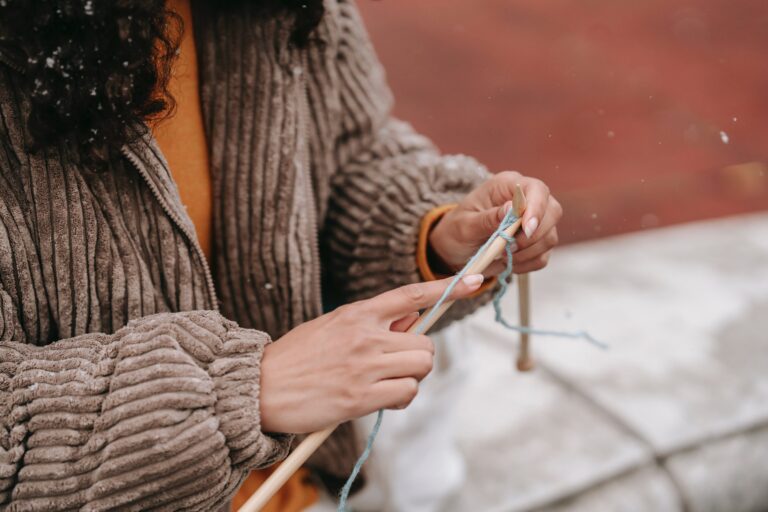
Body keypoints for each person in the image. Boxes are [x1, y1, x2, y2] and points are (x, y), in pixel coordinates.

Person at [0, 0, 562, 510]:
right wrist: (238, 393)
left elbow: (348, 158)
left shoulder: (292, 8)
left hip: (297, 490)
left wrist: (437, 234)